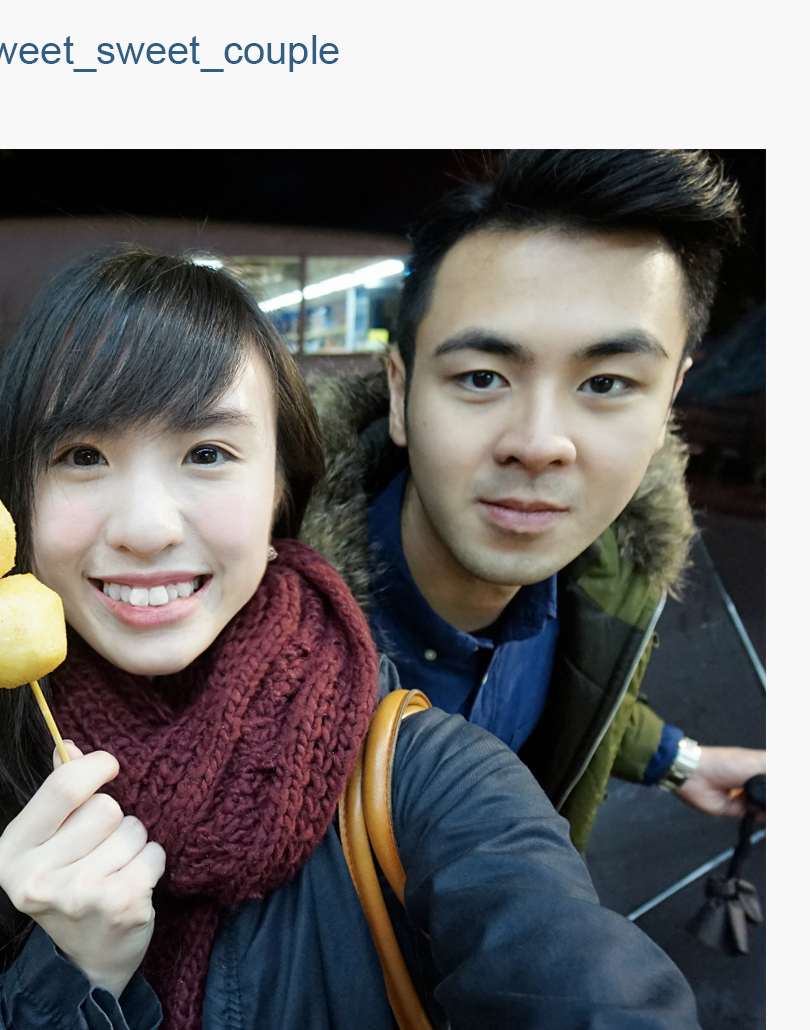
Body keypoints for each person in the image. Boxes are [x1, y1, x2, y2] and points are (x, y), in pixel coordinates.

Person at [0, 248, 706, 1030]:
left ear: (280, 490)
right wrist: (65, 985)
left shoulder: (421, 777)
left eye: (207, 453)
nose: (145, 528)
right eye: (82, 456)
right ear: (15, 495)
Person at [303, 150, 766, 853]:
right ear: (400, 392)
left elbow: (584, 687)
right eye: (482, 377)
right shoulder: (229, 598)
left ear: (667, 405)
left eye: (607, 384)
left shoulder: (613, 577)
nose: (539, 443)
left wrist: (679, 761)